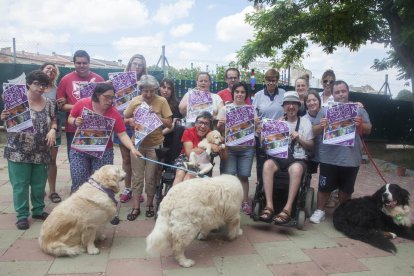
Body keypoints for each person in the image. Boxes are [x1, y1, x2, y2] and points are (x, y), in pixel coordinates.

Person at [309, 80, 372, 224]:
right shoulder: (325, 110)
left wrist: (360, 124)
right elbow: (314, 129)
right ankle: (320, 210)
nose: (341, 94)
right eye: (337, 92)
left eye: (343, 91)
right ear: (333, 94)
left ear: (348, 92)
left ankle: (344, 213)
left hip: (350, 158)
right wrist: (322, 125)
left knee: (346, 190)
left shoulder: (359, 110)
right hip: (328, 157)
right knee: (324, 187)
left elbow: (369, 129)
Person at [2, 70, 58, 230]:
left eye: (44, 85)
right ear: (28, 83)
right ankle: (21, 216)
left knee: (39, 184)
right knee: (20, 185)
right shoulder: (15, 101)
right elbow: (7, 120)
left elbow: (54, 119)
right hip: (17, 151)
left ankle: (38, 210)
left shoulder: (49, 103)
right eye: (36, 84)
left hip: (41, 150)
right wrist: (3, 117)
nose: (40, 88)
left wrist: (53, 129)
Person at [68, 83, 141, 193]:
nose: (110, 101)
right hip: (80, 150)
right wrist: (74, 121)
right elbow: (70, 117)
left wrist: (132, 148)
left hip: (103, 152)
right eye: (107, 97)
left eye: (112, 98)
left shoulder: (114, 113)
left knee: (102, 185)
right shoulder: (82, 103)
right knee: (79, 182)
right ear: (97, 95)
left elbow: (122, 134)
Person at [259, 91, 314, 225]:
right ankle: (269, 206)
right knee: (267, 165)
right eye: (288, 104)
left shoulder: (305, 123)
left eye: (293, 104)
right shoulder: (277, 122)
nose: (290, 107)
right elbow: (265, 146)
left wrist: (299, 138)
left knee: (295, 169)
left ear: (298, 106)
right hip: (279, 158)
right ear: (283, 107)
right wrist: (265, 136)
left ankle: (288, 209)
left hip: (297, 158)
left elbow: (311, 146)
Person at [124, 75, 173, 220]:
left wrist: (157, 116)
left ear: (156, 90)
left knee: (151, 177)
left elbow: (169, 123)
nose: (149, 94)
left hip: (155, 144)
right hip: (137, 145)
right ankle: (135, 207)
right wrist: (131, 121)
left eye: (152, 91)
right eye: (145, 91)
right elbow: (125, 118)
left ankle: (150, 204)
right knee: (137, 177)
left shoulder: (162, 101)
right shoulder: (135, 101)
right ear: (141, 90)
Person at [57, 50, 104, 159]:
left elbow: (105, 103)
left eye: (84, 63)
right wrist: (80, 107)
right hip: (73, 128)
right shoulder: (65, 80)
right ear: (74, 64)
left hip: (96, 127)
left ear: (89, 63)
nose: (81, 65)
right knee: (75, 162)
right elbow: (61, 106)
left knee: (96, 162)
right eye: (78, 63)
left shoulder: (99, 80)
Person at [217, 82, 255, 215]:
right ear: (233, 93)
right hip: (230, 149)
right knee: (229, 176)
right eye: (237, 92)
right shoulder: (225, 109)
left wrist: (257, 124)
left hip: (247, 148)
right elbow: (219, 130)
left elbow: (256, 129)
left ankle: (244, 202)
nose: (239, 94)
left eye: (242, 92)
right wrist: (221, 124)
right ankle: (228, 203)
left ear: (246, 94)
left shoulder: (251, 109)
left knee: (244, 176)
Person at [117, 54, 148, 204]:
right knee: (126, 159)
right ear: (129, 65)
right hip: (122, 123)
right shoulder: (119, 81)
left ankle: (137, 190)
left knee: (137, 159)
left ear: (143, 68)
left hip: (139, 125)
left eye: (140, 65)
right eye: (134, 64)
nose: (136, 67)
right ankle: (127, 188)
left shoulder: (145, 84)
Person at [172, 111, 224, 186]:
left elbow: (220, 152)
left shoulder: (213, 134)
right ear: (195, 123)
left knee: (188, 178)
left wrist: (220, 145)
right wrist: (209, 146)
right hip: (185, 158)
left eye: (206, 124)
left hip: (201, 162)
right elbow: (189, 153)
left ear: (210, 126)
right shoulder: (188, 132)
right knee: (180, 174)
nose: (203, 126)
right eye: (200, 122)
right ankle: (173, 196)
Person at [40, 62, 65, 203]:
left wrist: (63, 102)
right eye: (47, 68)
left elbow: (60, 108)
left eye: (53, 69)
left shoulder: (58, 89)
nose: (50, 70)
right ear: (41, 70)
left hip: (53, 128)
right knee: (38, 161)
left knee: (51, 161)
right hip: (36, 130)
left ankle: (53, 191)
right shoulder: (32, 86)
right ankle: (39, 189)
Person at [159, 78, 184, 163]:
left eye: (169, 88)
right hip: (153, 140)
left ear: (172, 91)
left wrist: (160, 134)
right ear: (159, 88)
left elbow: (174, 125)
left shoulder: (176, 104)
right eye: (164, 87)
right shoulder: (153, 102)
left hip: (170, 139)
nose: (166, 90)